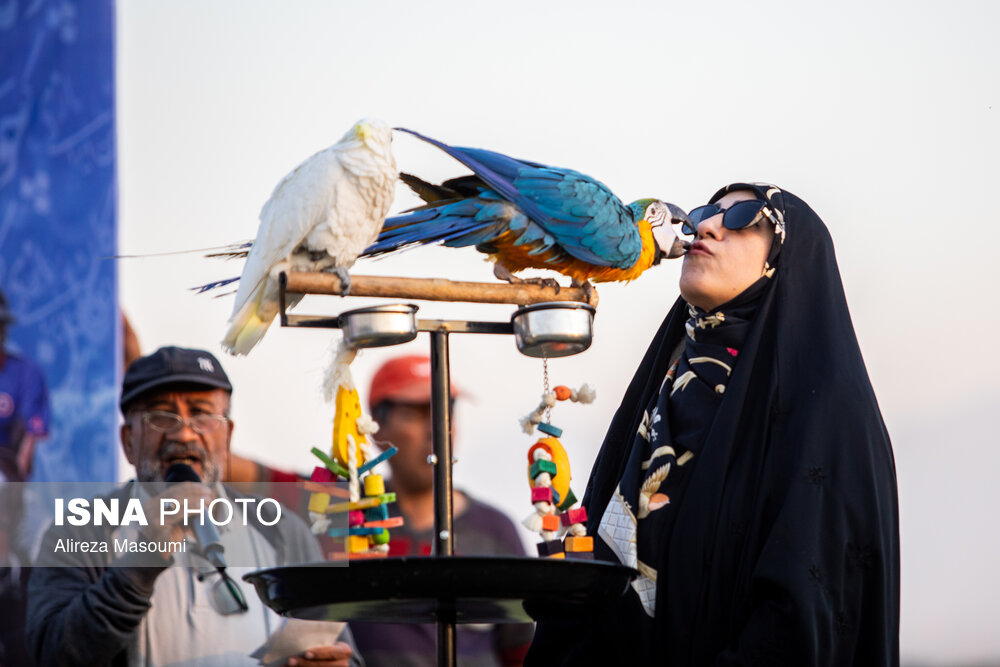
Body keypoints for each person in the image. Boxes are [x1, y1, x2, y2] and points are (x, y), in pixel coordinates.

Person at [526, 184, 900, 665]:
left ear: (784, 261)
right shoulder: (664, 388)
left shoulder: (827, 406)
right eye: (707, 212)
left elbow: (805, 613)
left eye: (745, 217)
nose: (704, 226)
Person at [26, 346, 362, 667]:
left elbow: (340, 649)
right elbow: (52, 655)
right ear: (128, 441)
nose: (184, 434)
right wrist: (142, 561)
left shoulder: (282, 531)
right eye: (161, 416)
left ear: (227, 436)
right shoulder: (79, 531)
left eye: (201, 413)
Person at [348, 355, 533, 667]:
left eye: (445, 413)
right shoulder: (345, 516)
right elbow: (271, 484)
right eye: (415, 413)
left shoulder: (496, 531)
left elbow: (522, 653)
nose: (434, 430)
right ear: (376, 429)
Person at [0, 286, 50, 667]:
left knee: (38, 546)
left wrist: (11, 493)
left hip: (10, 480)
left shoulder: (24, 372)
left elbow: (29, 438)